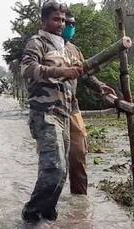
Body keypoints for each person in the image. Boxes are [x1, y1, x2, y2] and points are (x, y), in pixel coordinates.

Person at [20, 1, 84, 222]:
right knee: (54, 167)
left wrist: (102, 88)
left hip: (64, 114)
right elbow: (28, 69)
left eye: (63, 20)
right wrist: (61, 71)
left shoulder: (64, 48)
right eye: (56, 19)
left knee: (63, 170)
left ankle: (46, 211)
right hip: (45, 113)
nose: (61, 24)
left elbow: (82, 69)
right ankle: (31, 214)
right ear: (44, 21)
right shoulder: (37, 42)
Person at [63, 13, 116, 195]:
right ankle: (45, 208)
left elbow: (85, 74)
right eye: (66, 23)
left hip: (72, 107)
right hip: (50, 110)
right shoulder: (44, 47)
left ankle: (79, 202)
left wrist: (102, 87)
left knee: (78, 154)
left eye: (72, 24)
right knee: (52, 163)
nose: (69, 27)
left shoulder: (74, 50)